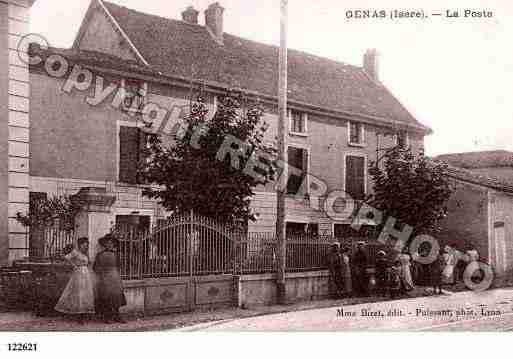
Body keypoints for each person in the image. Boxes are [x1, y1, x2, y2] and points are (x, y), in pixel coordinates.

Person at [55, 237, 95, 323]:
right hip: (78, 274)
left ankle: (84, 313)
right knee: (79, 293)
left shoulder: (85, 254)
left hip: (86, 274)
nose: (85, 246)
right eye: (84, 244)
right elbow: (65, 257)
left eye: (86, 245)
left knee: (85, 293)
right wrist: (73, 265)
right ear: (80, 245)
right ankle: (78, 315)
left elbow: (89, 263)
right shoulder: (75, 252)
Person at [93, 234, 127, 323]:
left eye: (111, 243)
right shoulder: (99, 255)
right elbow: (95, 267)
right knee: (106, 297)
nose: (109, 244)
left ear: (114, 244)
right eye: (107, 243)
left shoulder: (117, 254)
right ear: (104, 244)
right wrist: (102, 273)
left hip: (115, 277)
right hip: (105, 278)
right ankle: (107, 316)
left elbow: (120, 265)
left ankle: (117, 315)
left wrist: (116, 272)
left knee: (117, 296)